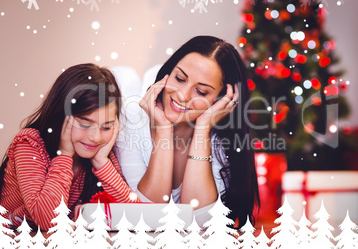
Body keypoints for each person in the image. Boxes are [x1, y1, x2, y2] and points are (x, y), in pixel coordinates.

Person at [115, 36, 260, 228]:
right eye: (179, 78)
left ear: (220, 100)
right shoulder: (131, 119)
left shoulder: (222, 139)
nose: (182, 95)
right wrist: (164, 131)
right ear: (167, 73)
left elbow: (201, 224)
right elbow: (147, 217)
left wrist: (202, 131)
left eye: (201, 92)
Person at [0, 63, 140, 231]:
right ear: (60, 116)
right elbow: (49, 221)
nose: (96, 138)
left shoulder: (99, 154)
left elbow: (137, 216)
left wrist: (102, 162)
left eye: (106, 127)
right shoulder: (30, 144)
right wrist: (65, 154)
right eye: (84, 124)